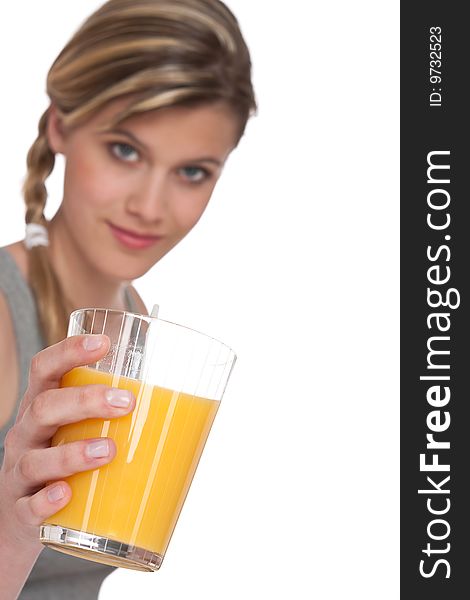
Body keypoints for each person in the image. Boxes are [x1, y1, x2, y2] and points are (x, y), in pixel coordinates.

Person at [0, 0, 256, 597]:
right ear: (60, 125)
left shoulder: (133, 325)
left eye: (192, 172)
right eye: (125, 151)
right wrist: (12, 531)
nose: (149, 206)